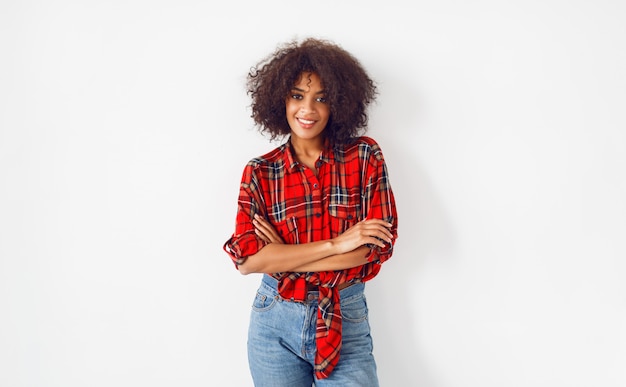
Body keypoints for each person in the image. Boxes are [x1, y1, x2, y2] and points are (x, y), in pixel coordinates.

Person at [223, 37, 398, 387]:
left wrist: (280, 256)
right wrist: (337, 245)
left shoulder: (365, 157)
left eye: (321, 98)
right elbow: (246, 262)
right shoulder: (260, 172)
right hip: (274, 322)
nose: (308, 109)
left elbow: (370, 252)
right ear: (280, 100)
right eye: (298, 96)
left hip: (344, 318)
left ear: (339, 103)